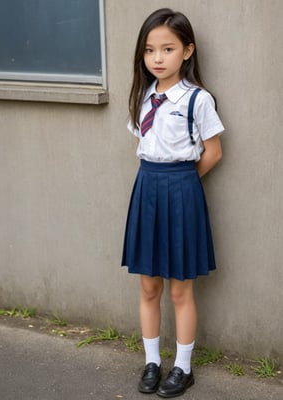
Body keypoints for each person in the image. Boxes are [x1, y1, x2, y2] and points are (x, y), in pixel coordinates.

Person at [121, 8, 224, 398]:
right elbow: (142, 144)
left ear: (187, 51)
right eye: (150, 50)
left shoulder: (198, 99)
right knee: (149, 286)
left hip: (182, 191)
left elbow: (213, 152)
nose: (157, 58)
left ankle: (183, 368)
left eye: (167, 49)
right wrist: (157, 182)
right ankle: (152, 362)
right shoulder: (144, 95)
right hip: (147, 188)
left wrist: (181, 183)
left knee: (181, 290)